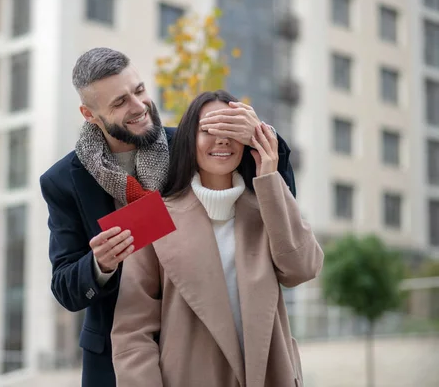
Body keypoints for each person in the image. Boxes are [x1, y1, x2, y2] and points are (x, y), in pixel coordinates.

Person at [39, 48, 297, 387]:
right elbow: (65, 288)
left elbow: (275, 197)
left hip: (203, 343)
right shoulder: (62, 181)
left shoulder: (191, 145)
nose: (138, 106)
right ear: (90, 114)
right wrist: (99, 265)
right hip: (115, 360)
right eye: (119, 103)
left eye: (140, 90)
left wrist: (262, 134)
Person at [111, 90, 324, 387]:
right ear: (188, 140)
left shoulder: (269, 204)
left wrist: (269, 175)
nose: (222, 139)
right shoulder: (146, 217)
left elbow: (302, 269)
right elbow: (132, 333)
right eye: (208, 129)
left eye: (232, 129)